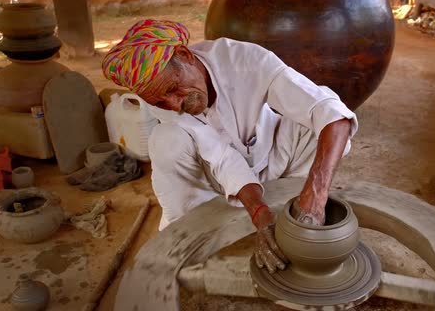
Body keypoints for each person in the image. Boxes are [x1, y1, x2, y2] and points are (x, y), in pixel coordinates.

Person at [101, 20, 358, 274]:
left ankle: (298, 215)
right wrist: (259, 214)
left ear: (185, 55)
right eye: (160, 101)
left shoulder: (244, 59)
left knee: (323, 128)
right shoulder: (161, 101)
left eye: (173, 88)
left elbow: (330, 112)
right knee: (166, 140)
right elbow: (222, 158)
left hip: (271, 157)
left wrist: (316, 193)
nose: (175, 104)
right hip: (215, 181)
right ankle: (189, 236)